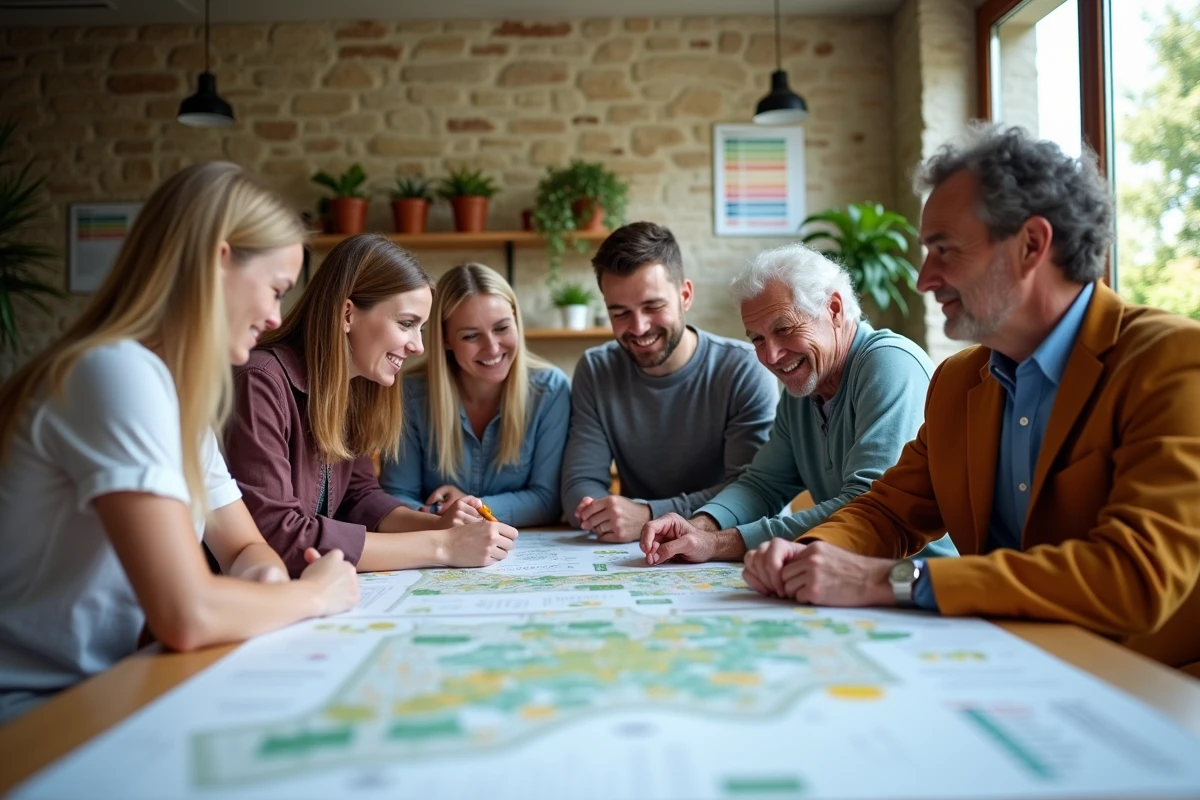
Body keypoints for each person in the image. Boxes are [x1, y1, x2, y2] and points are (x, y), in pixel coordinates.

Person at [742, 125, 1200, 675]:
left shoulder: (1171, 360)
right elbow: (889, 509)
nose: (923, 279)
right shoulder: (958, 381)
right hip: (998, 666)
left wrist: (892, 581)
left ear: (1032, 244)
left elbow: (1136, 575)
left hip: (1142, 686)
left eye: (944, 249)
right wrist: (810, 552)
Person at [0, 162, 359, 722]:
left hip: (111, 691)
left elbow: (243, 547)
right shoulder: (115, 373)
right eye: (275, 289)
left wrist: (262, 582)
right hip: (36, 714)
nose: (274, 317)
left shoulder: (174, 397)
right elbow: (186, 612)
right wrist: (314, 595)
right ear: (217, 260)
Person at [640, 244, 956, 565]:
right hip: (841, 573)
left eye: (784, 329)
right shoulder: (806, 386)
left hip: (917, 581)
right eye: (758, 339)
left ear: (834, 309)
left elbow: (865, 504)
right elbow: (763, 485)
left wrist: (721, 543)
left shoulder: (890, 363)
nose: (771, 356)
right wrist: (698, 527)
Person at [225, 234, 518, 577]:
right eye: (407, 324)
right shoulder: (260, 381)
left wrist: (439, 525)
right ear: (347, 314)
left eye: (421, 328)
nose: (418, 347)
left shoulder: (353, 386)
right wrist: (443, 546)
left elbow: (359, 498)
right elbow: (278, 535)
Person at [560, 221, 778, 542]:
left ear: (685, 295)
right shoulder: (597, 370)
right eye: (620, 313)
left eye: (653, 306)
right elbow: (579, 482)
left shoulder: (744, 368)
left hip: (726, 542)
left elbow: (751, 492)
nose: (638, 327)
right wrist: (599, 512)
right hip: (640, 554)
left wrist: (650, 513)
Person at [380, 263, 570, 528]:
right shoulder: (408, 394)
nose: (492, 347)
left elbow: (547, 501)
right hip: (437, 546)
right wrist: (440, 515)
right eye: (471, 336)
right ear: (445, 339)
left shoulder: (551, 391)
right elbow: (396, 496)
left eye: (502, 328)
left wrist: (471, 507)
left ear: (516, 320)